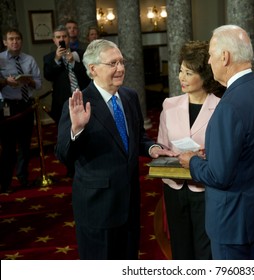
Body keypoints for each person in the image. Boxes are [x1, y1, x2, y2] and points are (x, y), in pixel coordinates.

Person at [55, 39, 176, 260]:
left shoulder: (129, 96)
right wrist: (77, 129)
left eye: (121, 62)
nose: (120, 68)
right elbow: (64, 155)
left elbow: (137, 138)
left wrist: (152, 149)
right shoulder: (78, 103)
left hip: (129, 203)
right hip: (97, 208)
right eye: (112, 63)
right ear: (93, 69)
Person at [178, 25, 254, 260]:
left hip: (232, 224)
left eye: (211, 55)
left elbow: (218, 176)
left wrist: (192, 161)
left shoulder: (229, 106)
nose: (210, 61)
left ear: (225, 57)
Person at [157, 41, 224, 260]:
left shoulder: (221, 107)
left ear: (204, 76)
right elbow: (163, 145)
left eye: (188, 72)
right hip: (174, 187)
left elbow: (225, 152)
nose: (181, 77)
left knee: (205, 249)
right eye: (180, 71)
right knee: (180, 247)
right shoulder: (169, 104)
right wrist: (160, 152)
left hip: (205, 188)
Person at [0, 28, 42, 193]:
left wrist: (28, 81)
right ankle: (5, 183)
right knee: (8, 147)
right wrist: (5, 82)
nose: (14, 42)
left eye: (17, 39)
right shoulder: (0, 59)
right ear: (5, 42)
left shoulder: (29, 59)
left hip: (26, 105)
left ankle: (23, 178)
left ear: (21, 41)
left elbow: (38, 83)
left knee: (25, 146)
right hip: (7, 107)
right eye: (11, 39)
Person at [43, 25, 91, 125]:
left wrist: (73, 62)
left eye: (64, 36)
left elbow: (88, 74)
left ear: (69, 38)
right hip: (62, 101)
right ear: (54, 40)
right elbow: (48, 76)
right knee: (65, 131)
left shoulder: (81, 54)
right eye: (58, 37)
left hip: (83, 97)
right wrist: (56, 59)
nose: (62, 39)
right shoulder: (49, 58)